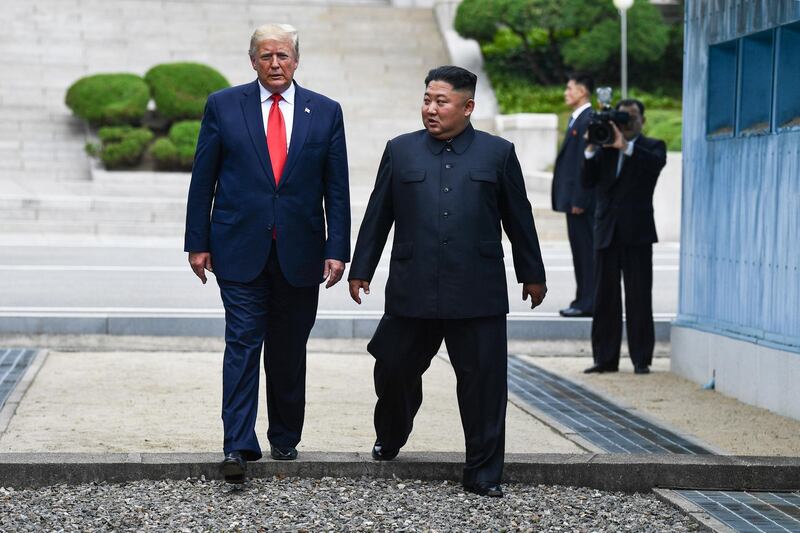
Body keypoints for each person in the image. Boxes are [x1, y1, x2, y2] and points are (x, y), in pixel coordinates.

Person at [348, 66, 547, 498]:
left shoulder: (498, 153)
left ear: (468, 106)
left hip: (477, 292)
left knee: (483, 385)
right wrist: (361, 267)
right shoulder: (400, 151)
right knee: (393, 365)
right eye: (426, 100)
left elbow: (519, 219)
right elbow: (377, 214)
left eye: (441, 101)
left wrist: (532, 274)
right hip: (412, 287)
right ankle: (393, 430)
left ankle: (483, 472)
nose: (431, 109)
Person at [184, 23, 350, 483]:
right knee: (242, 342)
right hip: (237, 247)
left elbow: (337, 188)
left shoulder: (326, 111)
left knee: (288, 346)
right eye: (266, 56)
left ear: (296, 60)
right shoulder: (223, 105)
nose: (275, 64)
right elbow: (204, 179)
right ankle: (237, 444)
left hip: (302, 252)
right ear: (252, 60)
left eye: (283, 56)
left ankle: (284, 435)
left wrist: (338, 248)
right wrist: (197, 242)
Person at [581, 99, 666, 375]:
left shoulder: (652, 147)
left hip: (637, 233)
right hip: (606, 230)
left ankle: (642, 359)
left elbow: (652, 168)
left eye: (632, 117)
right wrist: (592, 148)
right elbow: (586, 181)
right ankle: (605, 358)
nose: (627, 122)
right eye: (623, 117)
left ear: (643, 119)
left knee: (639, 296)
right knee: (604, 297)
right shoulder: (604, 146)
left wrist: (625, 146)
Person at [552, 74, 596, 318]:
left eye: (569, 88)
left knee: (586, 254)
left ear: (582, 91)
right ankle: (583, 299)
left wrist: (580, 199)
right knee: (580, 253)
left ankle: (587, 302)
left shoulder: (588, 119)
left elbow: (585, 163)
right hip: (574, 202)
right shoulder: (576, 119)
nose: (566, 93)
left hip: (581, 203)